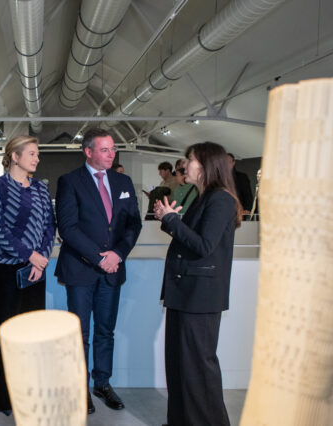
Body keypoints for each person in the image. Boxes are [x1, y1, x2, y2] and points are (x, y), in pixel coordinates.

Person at [154, 141, 243, 426]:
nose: (184, 165)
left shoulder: (221, 199)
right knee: (179, 364)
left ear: (205, 165)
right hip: (186, 292)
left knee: (197, 369)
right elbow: (192, 240)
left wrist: (172, 220)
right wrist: (170, 219)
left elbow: (203, 245)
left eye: (189, 159)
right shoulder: (204, 196)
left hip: (200, 296)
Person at [55, 128, 142, 414]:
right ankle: (79, 388)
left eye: (113, 149)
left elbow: (133, 223)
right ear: (88, 152)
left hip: (113, 269)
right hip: (81, 269)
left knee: (106, 330)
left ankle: (102, 383)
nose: (111, 154)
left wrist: (117, 254)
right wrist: (98, 258)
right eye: (105, 149)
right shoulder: (70, 181)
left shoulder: (123, 181)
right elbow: (68, 227)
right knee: (80, 333)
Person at [0, 135, 56, 412]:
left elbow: (50, 227)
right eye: (32, 154)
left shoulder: (40, 188)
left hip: (35, 271)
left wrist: (40, 259)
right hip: (3, 272)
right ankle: (0, 397)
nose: (37, 158)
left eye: (37, 154)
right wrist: (30, 255)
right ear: (14, 156)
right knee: (3, 333)